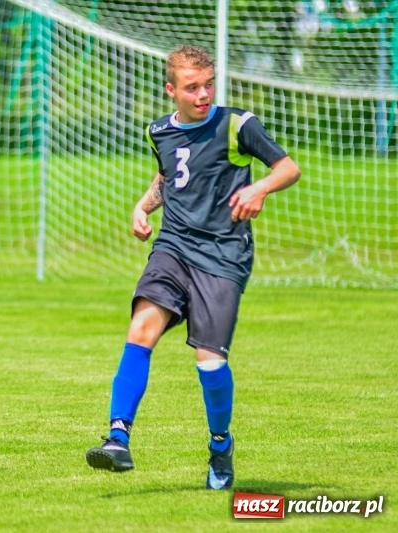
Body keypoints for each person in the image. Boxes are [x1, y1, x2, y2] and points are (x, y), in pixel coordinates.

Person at [85, 44, 300, 490]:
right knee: (141, 328)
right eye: (192, 88)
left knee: (209, 362)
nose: (203, 95)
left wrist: (259, 188)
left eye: (208, 85)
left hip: (223, 255)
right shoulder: (158, 131)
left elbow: (287, 167)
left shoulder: (236, 124)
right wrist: (143, 207)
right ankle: (118, 437)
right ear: (171, 90)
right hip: (174, 247)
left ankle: (220, 446)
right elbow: (167, 176)